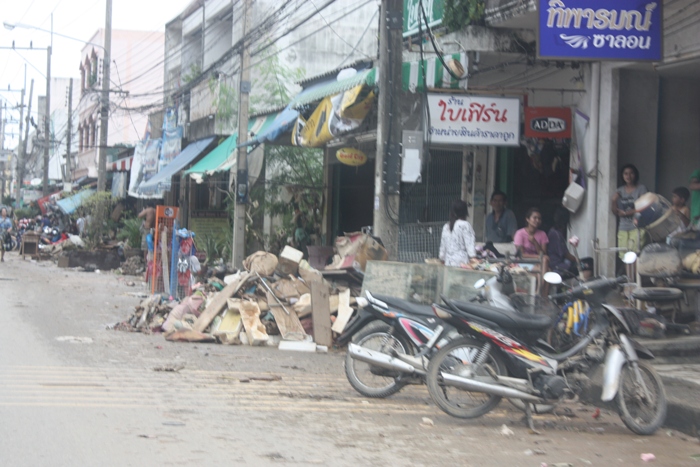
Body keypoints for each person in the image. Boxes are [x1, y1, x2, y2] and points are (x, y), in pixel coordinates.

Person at [611, 164, 647, 259]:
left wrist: (626, 213)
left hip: (637, 227)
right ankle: (628, 274)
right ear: (622, 176)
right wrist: (614, 200)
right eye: (625, 173)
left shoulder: (641, 189)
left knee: (636, 254)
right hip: (623, 227)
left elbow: (644, 207)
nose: (628, 176)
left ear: (635, 175)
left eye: (631, 173)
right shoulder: (619, 190)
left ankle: (635, 275)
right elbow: (615, 212)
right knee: (625, 256)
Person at [514, 208, 550, 295]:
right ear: (527, 219)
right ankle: (541, 294)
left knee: (547, 267)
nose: (537, 220)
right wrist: (538, 257)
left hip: (537, 263)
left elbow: (543, 252)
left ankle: (540, 293)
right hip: (523, 262)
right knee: (547, 269)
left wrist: (534, 242)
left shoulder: (542, 234)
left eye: (539, 218)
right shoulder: (520, 233)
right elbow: (521, 254)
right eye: (535, 218)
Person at [439, 199, 476, 267]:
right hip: (462, 264)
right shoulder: (465, 225)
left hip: (448, 264)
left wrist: (442, 259)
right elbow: (470, 245)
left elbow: (442, 248)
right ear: (465, 212)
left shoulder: (446, 226)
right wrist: (474, 259)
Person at [547, 207, 578, 276]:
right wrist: (578, 260)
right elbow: (566, 255)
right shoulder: (556, 234)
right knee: (585, 265)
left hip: (558, 262)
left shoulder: (554, 232)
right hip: (557, 265)